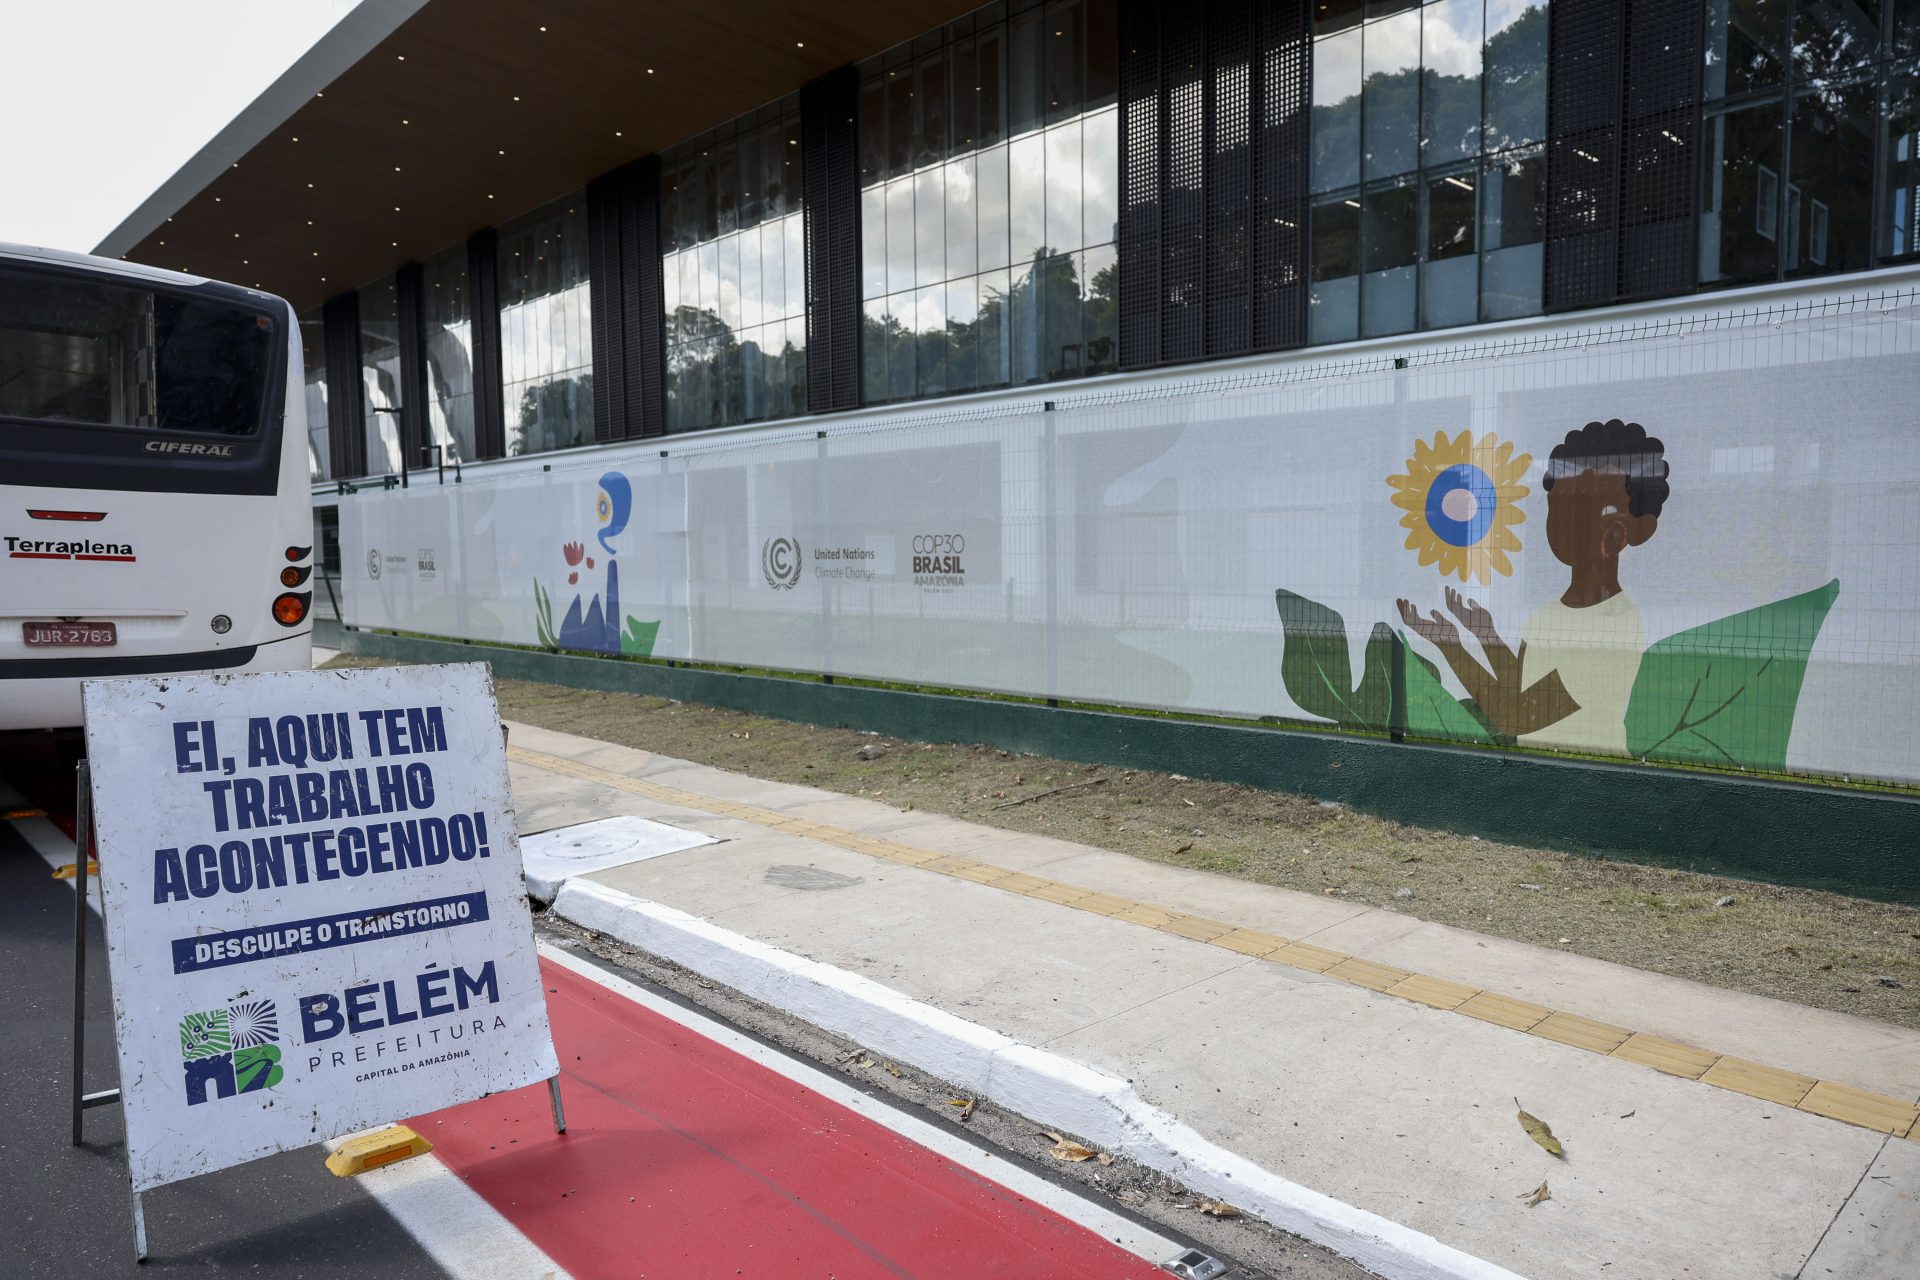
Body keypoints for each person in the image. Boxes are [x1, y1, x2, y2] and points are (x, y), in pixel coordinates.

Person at [1396, 419, 1669, 753]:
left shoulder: (1614, 624)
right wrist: (1486, 635)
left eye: (1592, 509)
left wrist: (1451, 645)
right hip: (1543, 763)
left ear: (1636, 529)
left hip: (1588, 773)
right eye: (1560, 507)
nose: (1567, 523)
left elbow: (1514, 716)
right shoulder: (1550, 613)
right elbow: (1522, 686)